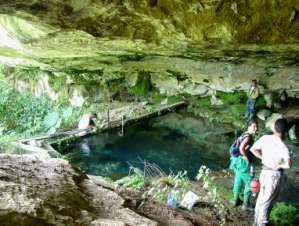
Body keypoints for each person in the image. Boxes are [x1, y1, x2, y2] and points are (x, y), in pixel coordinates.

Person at [250, 118, 292, 226]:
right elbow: (288, 165)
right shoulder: (284, 147)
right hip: (274, 176)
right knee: (267, 203)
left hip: (264, 172)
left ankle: (256, 222)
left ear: (274, 128)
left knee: (260, 200)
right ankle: (262, 223)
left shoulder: (265, 138)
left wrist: (263, 157)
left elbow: (253, 149)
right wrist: (279, 164)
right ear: (285, 131)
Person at [230, 119, 258, 211]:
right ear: (249, 126)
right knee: (249, 181)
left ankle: (235, 200)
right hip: (242, 162)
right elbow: (242, 148)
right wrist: (246, 157)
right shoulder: (248, 137)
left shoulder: (244, 134)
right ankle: (245, 204)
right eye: (254, 126)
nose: (256, 128)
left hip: (236, 160)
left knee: (238, 179)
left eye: (257, 126)